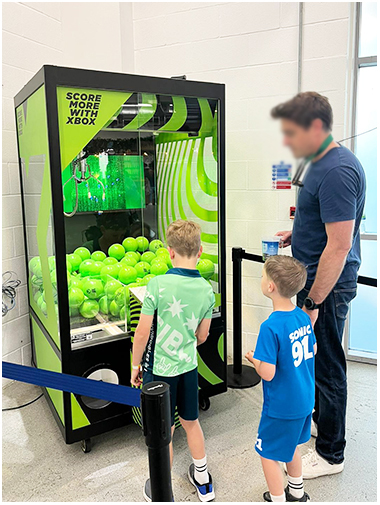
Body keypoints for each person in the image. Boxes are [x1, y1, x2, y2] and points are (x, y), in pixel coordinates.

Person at [271, 92, 366, 478]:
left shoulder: (338, 170)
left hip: (327, 288)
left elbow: (340, 245)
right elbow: (325, 227)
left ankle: (330, 453)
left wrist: (312, 302)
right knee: (312, 360)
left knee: (327, 367)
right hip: (312, 278)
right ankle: (318, 421)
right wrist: (297, 236)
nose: (288, 141)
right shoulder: (320, 164)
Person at [131, 219, 216, 502]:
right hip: (188, 367)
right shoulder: (206, 290)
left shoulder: (157, 284)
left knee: (163, 429)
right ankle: (203, 479)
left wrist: (135, 365)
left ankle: (160, 484)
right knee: (191, 421)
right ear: (200, 251)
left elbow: (142, 332)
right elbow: (203, 336)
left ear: (170, 252)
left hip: (160, 369)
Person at [245, 255, 317, 503]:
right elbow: (313, 350)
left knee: (268, 454)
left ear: (270, 287)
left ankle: (278, 499)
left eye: (263, 276)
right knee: (291, 446)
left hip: (281, 406)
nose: (261, 279)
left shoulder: (270, 326)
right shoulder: (302, 317)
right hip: (305, 399)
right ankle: (296, 492)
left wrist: (254, 359)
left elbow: (268, 373)